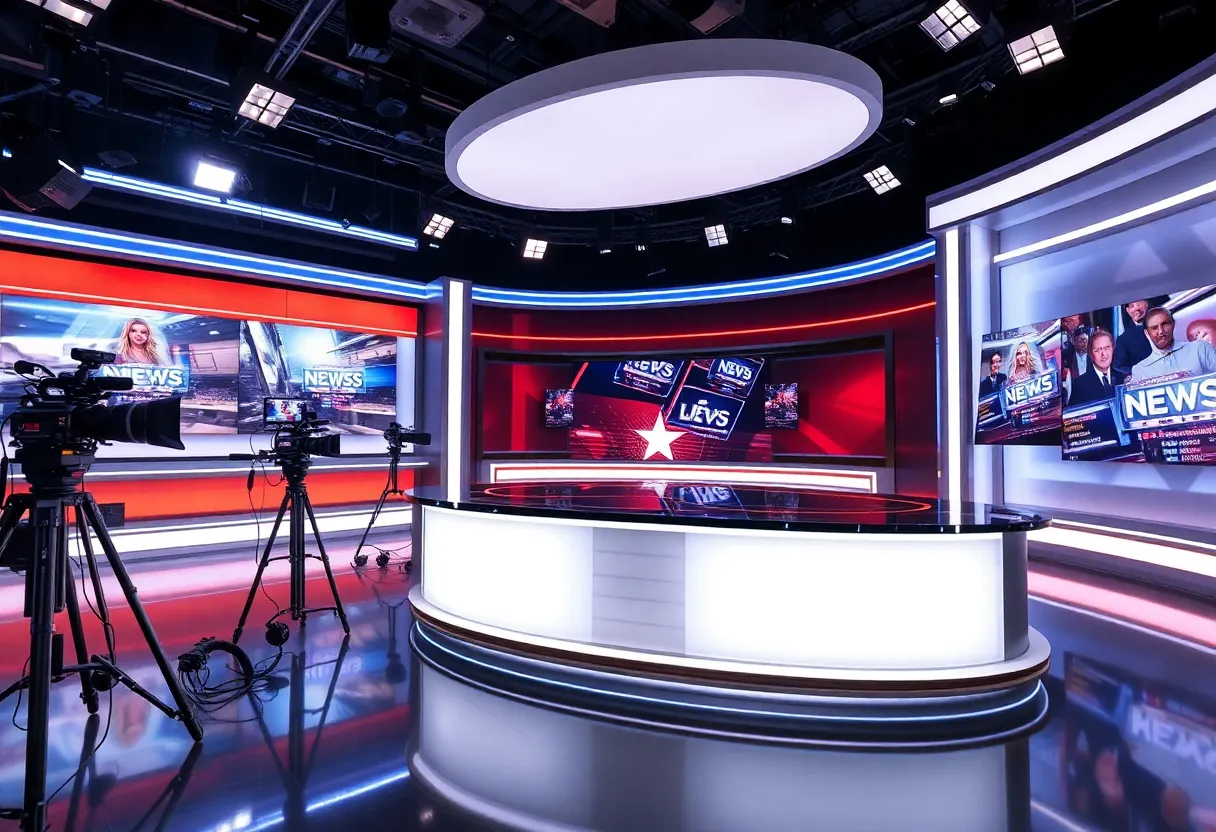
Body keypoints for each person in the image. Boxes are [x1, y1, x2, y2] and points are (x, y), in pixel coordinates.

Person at [1130, 307, 1216, 382]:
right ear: (1146, 333)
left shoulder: (1199, 349)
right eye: (1154, 328)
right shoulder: (1140, 370)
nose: (1161, 332)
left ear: (1173, 324)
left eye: (1165, 324)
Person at [1069, 330, 1126, 406]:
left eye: (1107, 348)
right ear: (1090, 354)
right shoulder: (1079, 385)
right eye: (1098, 350)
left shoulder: (1123, 378)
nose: (1104, 354)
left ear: (1113, 349)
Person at [1114, 299, 1152, 374]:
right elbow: (1118, 365)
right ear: (1127, 310)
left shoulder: (1162, 324)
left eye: (1138, 304)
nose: (1136, 309)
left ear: (1146, 304)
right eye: (1132, 306)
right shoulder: (1123, 339)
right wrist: (1138, 371)